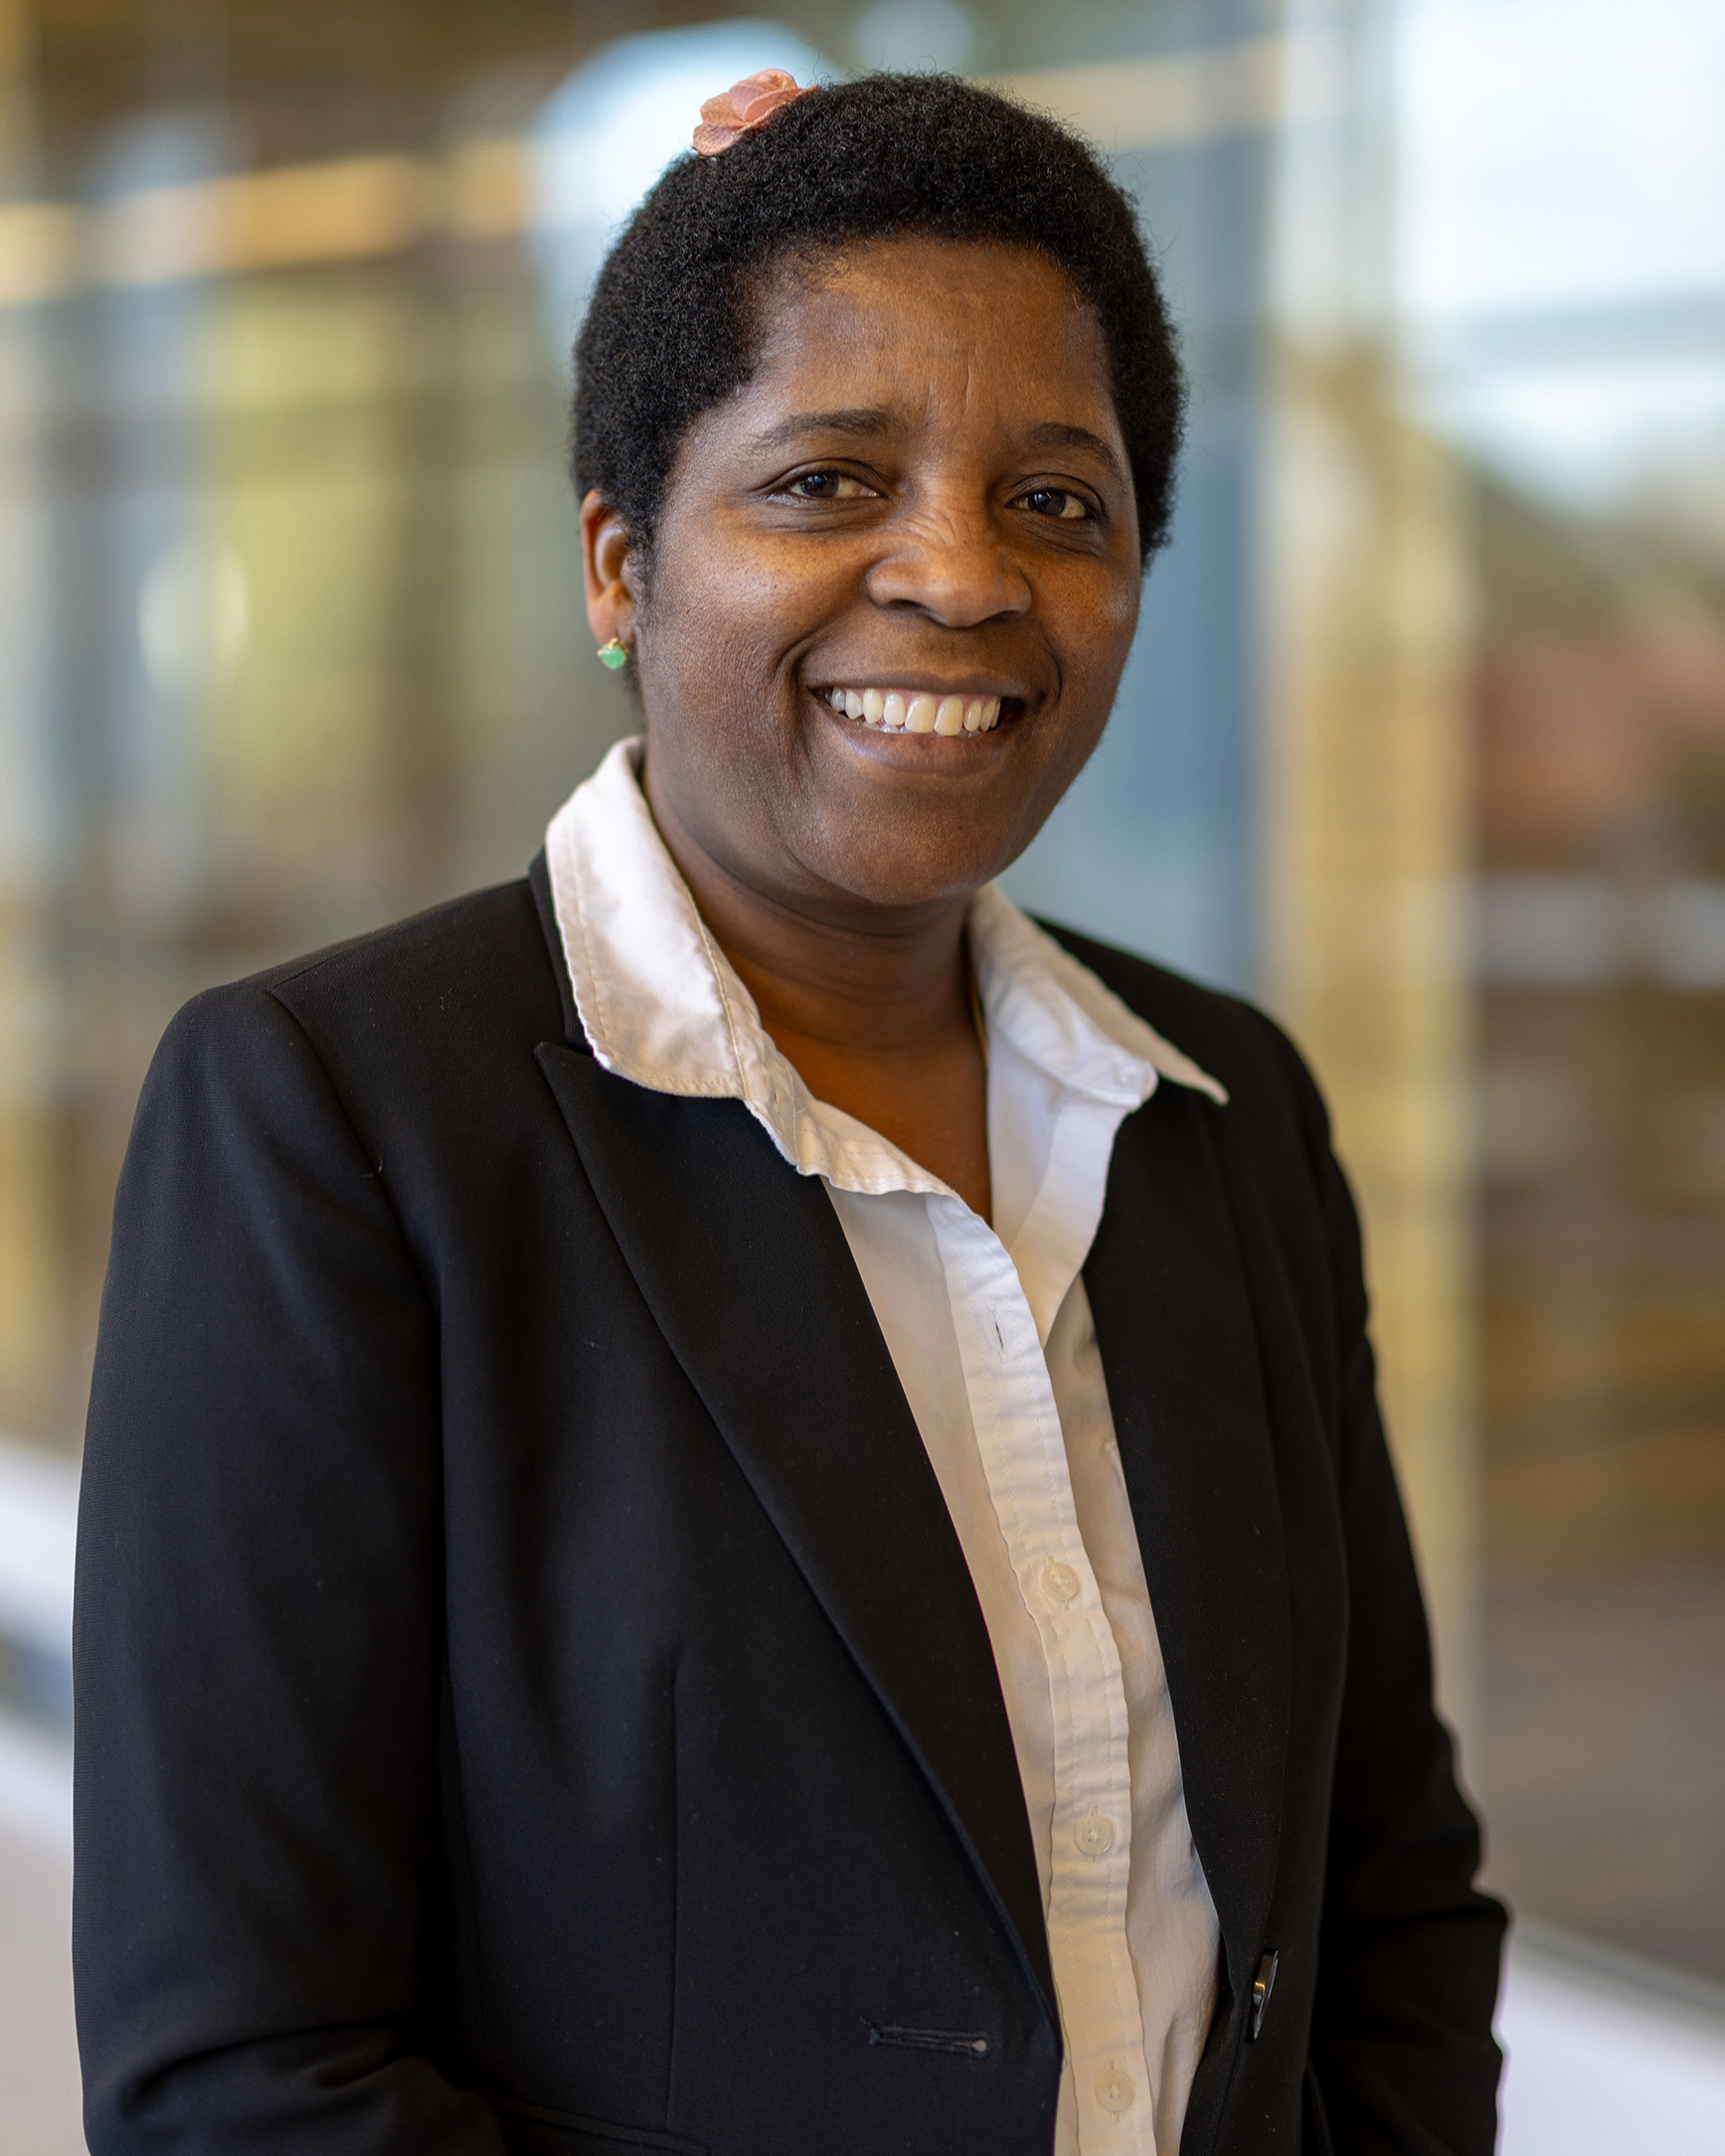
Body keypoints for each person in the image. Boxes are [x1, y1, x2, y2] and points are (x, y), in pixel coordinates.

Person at [73, 70, 1505, 2156]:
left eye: (1060, 499)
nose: (959, 575)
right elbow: (247, 2075)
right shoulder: (341, 1122)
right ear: (617, 561)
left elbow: (1383, 1893)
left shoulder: (1221, 1117)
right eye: (828, 479)